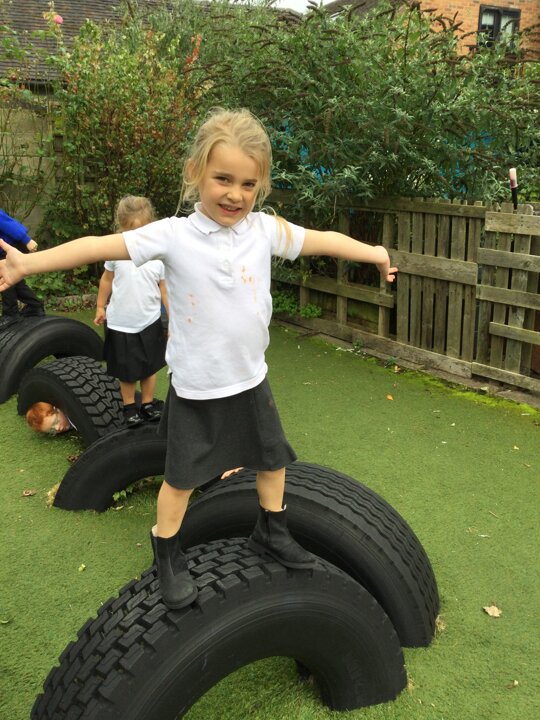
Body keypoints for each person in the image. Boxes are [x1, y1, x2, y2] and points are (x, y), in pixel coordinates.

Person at [0, 108, 397, 610]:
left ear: (260, 186)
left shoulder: (264, 230)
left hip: (250, 378)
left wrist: (375, 251)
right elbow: (99, 246)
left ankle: (271, 531)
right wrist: (29, 262)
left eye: (248, 184)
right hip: (198, 387)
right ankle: (166, 551)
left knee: (272, 459)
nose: (235, 194)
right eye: (223, 179)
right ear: (196, 173)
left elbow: (324, 240)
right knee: (182, 479)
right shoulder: (173, 235)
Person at [94, 196, 168, 427]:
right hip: (121, 323)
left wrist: (172, 317)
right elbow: (107, 280)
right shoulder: (116, 253)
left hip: (150, 320)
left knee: (149, 368)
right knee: (126, 371)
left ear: (150, 226)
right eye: (130, 231)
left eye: (141, 230)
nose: (136, 237)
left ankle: (147, 404)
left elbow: (164, 289)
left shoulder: (159, 256)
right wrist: (100, 306)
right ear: (122, 228)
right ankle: (129, 407)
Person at [0, 209, 45, 318]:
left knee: (5, 279)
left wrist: (27, 240)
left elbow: (7, 223)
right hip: (5, 249)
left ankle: (10, 314)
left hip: (12, 245)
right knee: (15, 281)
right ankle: (35, 306)